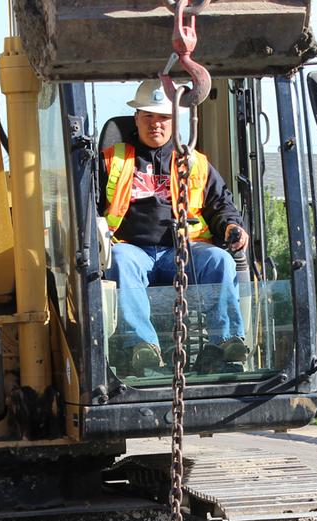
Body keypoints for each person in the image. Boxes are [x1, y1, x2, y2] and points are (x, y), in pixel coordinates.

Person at [99, 79, 250, 375]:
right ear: (137, 119)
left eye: (163, 117)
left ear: (175, 120)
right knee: (120, 260)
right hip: (131, 249)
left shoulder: (194, 162)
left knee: (220, 259)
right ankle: (142, 346)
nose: (156, 124)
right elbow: (89, 203)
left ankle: (227, 342)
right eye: (148, 117)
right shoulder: (111, 160)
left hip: (181, 251)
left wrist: (232, 226)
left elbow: (220, 203)